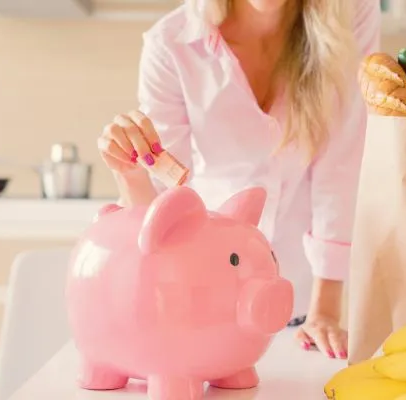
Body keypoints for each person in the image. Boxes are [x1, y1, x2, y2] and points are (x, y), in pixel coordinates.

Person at [96, 0, 380, 359]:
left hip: (308, 306)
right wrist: (130, 169)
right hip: (205, 309)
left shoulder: (350, 13)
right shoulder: (172, 44)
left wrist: (325, 311)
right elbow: (160, 205)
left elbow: (342, 161)